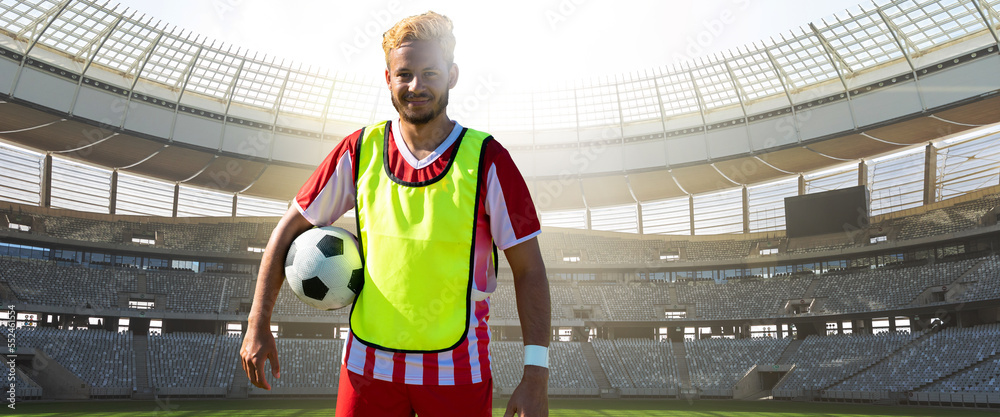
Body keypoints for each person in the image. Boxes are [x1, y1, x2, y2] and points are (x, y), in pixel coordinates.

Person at [239, 11, 551, 417]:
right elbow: (286, 232)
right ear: (388, 78)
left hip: (456, 371)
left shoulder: (488, 159)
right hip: (367, 370)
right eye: (404, 74)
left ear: (453, 76)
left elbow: (530, 270)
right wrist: (257, 321)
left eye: (430, 73)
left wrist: (536, 375)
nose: (416, 86)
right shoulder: (359, 150)